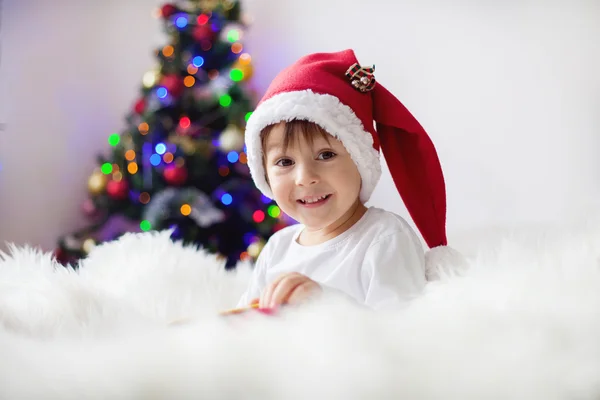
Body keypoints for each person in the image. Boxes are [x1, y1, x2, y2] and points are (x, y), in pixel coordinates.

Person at [237, 49, 461, 311]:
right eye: (285, 162)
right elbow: (247, 321)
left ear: (360, 160)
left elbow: (401, 332)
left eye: (325, 154)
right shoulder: (277, 248)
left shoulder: (383, 238)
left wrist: (324, 304)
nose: (305, 178)